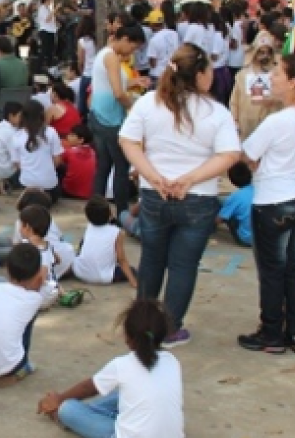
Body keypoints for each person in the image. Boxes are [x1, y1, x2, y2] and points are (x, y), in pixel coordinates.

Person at [120, 43, 240, 347]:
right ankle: (170, 329)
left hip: (154, 195)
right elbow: (230, 154)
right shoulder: (216, 112)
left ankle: (142, 326)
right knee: (183, 265)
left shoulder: (148, 103)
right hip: (197, 199)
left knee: (151, 259)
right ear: (200, 74)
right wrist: (190, 178)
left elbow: (128, 140)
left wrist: (152, 175)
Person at [234, 53, 295, 355]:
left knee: (272, 271)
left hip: (273, 203)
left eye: (278, 73)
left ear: (292, 83)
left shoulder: (278, 122)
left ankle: (272, 333)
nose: (271, 77)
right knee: (293, 268)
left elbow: (246, 154)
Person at [37, 298, 184, 438]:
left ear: (129, 338)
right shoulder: (172, 360)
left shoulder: (122, 365)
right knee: (124, 395)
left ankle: (64, 415)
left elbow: (88, 388)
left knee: (68, 409)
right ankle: (92, 414)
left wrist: (59, 399)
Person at [90, 26, 147, 219]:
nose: (132, 51)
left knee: (104, 165)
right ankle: (122, 212)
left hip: (100, 114)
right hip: (110, 118)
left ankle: (96, 208)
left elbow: (112, 84)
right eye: (133, 46)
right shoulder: (112, 57)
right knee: (121, 167)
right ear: (124, 38)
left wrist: (134, 83)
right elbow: (118, 92)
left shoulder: (105, 54)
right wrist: (133, 107)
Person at [0, 243, 44, 383]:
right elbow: (38, 290)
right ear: (37, 274)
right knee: (28, 317)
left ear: (7, 269)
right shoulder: (34, 299)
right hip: (8, 367)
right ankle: (22, 366)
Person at [72, 196, 138, 286]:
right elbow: (121, 260)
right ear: (110, 215)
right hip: (104, 276)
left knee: (80, 250)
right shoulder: (117, 232)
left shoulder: (89, 227)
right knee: (133, 270)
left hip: (81, 272)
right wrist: (133, 281)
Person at [10, 99, 65, 200]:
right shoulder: (51, 132)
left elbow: (17, 165)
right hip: (49, 184)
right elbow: (58, 161)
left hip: (27, 183)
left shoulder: (17, 136)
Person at [229, 41, 280, 139]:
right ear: (255, 53)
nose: (265, 56)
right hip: (246, 126)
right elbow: (234, 101)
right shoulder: (243, 75)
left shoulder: (277, 75)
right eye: (261, 52)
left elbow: (284, 99)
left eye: (268, 53)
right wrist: (235, 121)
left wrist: (272, 102)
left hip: (269, 126)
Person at [0, 102, 22, 186]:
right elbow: (17, 160)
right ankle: (9, 182)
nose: (22, 119)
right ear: (11, 116)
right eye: (20, 116)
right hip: (6, 170)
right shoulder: (10, 133)